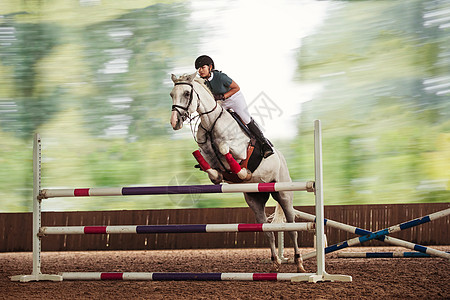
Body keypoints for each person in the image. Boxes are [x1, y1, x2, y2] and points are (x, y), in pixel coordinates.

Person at [194, 55, 274, 158]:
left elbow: (236, 88)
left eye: (202, 68)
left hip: (234, 98)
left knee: (245, 119)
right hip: (221, 102)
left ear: (210, 67)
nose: (200, 71)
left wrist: (223, 96)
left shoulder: (221, 77)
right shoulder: (202, 82)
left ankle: (264, 144)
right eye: (198, 69)